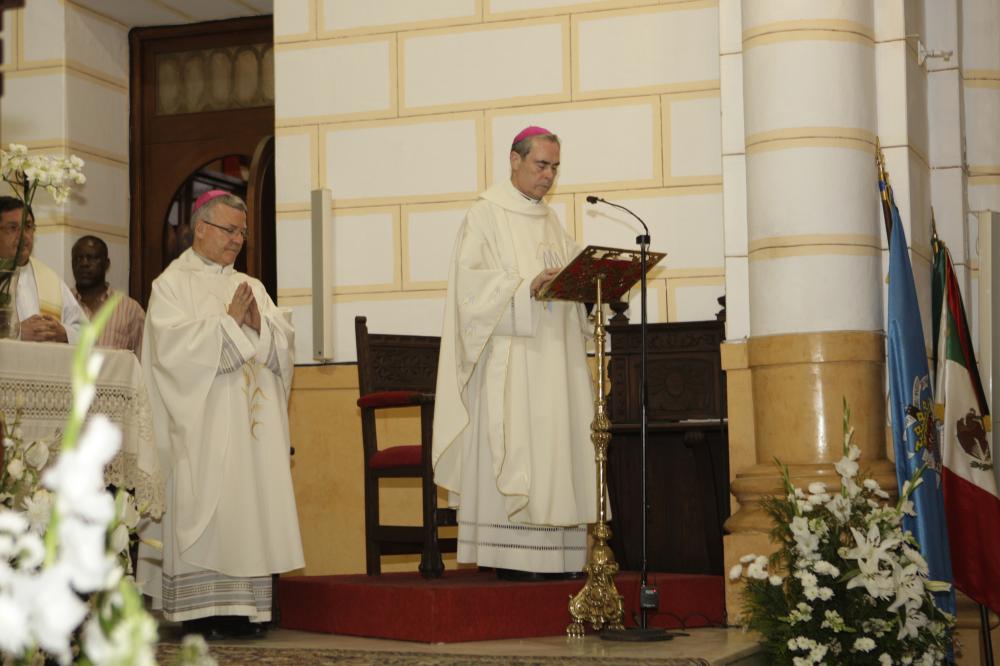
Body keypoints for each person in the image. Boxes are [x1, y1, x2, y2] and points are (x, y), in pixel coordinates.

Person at [432, 127, 597, 581]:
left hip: (555, 359)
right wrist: (527, 288)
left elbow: (566, 277)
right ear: (514, 159)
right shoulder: (484, 214)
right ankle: (515, 558)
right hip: (512, 360)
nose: (549, 176)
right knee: (524, 446)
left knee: (556, 448)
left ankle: (561, 556)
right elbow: (470, 289)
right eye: (542, 165)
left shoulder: (550, 220)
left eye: (555, 167)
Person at [138, 190, 303, 639]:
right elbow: (170, 353)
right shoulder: (170, 286)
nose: (237, 240)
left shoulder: (252, 286)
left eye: (242, 232)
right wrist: (228, 325)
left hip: (250, 439)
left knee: (248, 510)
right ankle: (200, 611)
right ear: (201, 228)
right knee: (204, 505)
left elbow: (282, 344)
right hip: (202, 431)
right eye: (229, 230)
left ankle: (244, 610)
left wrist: (256, 324)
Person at [0, 195, 85, 343]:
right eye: (12, 228)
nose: (23, 236)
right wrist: (17, 332)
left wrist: (63, 333)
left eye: (28, 227)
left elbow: (87, 333)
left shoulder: (50, 280)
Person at [71, 235, 145, 357]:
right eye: (78, 259)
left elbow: (143, 360)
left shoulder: (130, 310)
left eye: (92, 258)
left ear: (107, 264)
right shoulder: (63, 303)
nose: (84, 263)